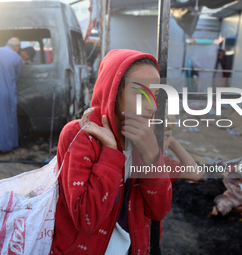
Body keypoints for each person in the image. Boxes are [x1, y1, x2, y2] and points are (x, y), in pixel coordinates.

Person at [51, 49, 173, 254]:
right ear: (114, 92)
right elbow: (86, 219)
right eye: (140, 93)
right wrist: (110, 152)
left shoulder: (146, 138)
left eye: (156, 94)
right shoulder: (81, 134)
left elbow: (158, 211)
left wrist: (152, 156)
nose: (152, 105)